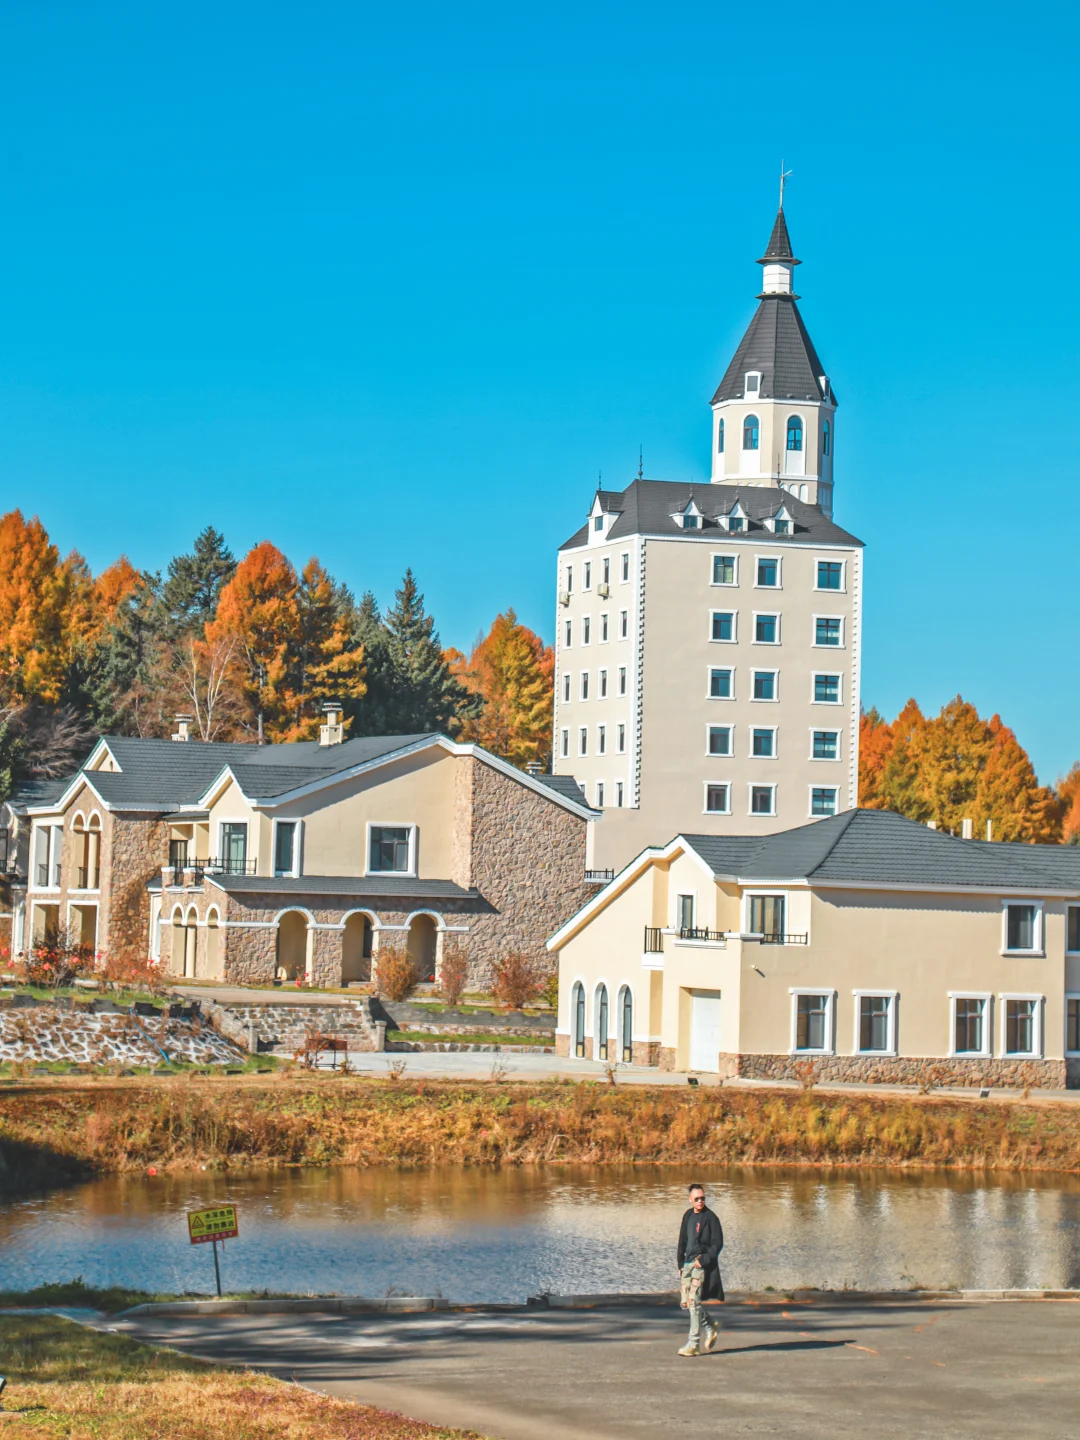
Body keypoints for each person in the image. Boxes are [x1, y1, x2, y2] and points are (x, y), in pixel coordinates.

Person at [676, 1181, 724, 1357]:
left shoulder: (711, 1218)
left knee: (694, 1303)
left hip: (700, 1265)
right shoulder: (688, 1216)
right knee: (687, 1303)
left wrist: (703, 1259)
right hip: (687, 1264)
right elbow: (682, 1241)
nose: (700, 1202)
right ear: (690, 1200)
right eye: (697, 1199)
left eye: (703, 1198)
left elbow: (717, 1243)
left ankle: (693, 1343)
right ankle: (710, 1324)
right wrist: (680, 1263)